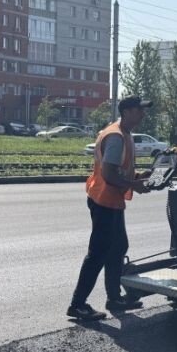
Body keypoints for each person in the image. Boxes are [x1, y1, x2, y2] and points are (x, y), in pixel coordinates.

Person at [67, 96, 154, 321]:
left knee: (118, 246)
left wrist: (137, 176)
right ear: (126, 112)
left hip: (111, 200)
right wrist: (134, 185)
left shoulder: (123, 133)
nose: (142, 114)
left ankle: (114, 298)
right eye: (138, 110)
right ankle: (77, 305)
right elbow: (108, 174)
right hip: (103, 200)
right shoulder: (116, 136)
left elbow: (118, 170)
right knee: (98, 253)